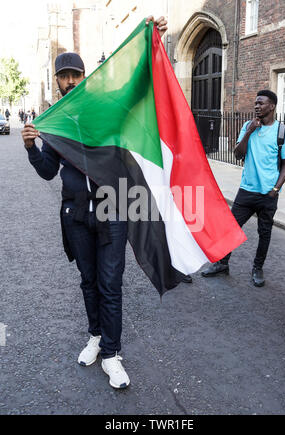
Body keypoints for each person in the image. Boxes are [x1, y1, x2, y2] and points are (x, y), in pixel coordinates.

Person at [21, 16, 168, 390]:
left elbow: (137, 93)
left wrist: (152, 45)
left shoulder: (105, 107)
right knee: (88, 281)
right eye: (64, 76)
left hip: (112, 209)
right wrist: (30, 148)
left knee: (109, 283)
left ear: (85, 77)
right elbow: (47, 172)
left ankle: (112, 354)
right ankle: (95, 336)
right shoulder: (53, 122)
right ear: (56, 80)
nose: (70, 81)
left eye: (76, 74)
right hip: (74, 215)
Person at [201, 90, 285, 287]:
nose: (257, 106)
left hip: (268, 193)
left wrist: (276, 189)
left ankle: (257, 268)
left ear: (272, 106)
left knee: (265, 233)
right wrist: (250, 131)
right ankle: (222, 263)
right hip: (247, 190)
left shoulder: (282, 132)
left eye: (261, 103)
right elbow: (237, 154)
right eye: (255, 103)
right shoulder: (247, 126)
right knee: (231, 229)